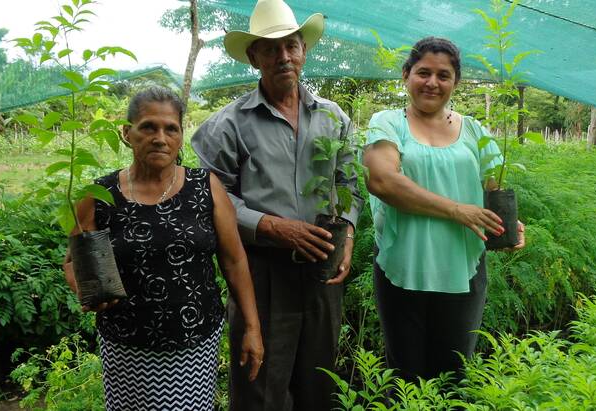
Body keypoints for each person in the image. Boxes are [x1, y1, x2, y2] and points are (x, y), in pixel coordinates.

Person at [191, 1, 362, 409]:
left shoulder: (333, 118)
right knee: (260, 387)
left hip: (322, 269)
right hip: (261, 273)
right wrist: (271, 226)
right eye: (271, 48)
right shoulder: (228, 124)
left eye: (291, 45)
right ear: (254, 58)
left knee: (319, 382)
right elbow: (212, 197)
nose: (283, 56)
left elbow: (349, 182)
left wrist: (349, 233)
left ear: (304, 51)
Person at [62, 86, 264, 410]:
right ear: (127, 133)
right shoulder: (99, 194)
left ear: (181, 136)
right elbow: (74, 259)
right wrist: (86, 288)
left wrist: (253, 327)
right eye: (148, 127)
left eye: (171, 129)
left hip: (195, 344)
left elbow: (234, 261)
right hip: (127, 347)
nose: (160, 138)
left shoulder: (205, 188)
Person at [362, 37, 526, 382]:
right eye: (423, 73)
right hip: (404, 265)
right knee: (405, 376)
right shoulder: (388, 123)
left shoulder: (475, 132)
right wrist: (456, 210)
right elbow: (382, 180)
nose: (432, 83)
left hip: (461, 267)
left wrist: (509, 225)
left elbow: (492, 190)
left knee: (454, 375)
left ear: (456, 82)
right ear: (406, 75)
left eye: (443, 75)